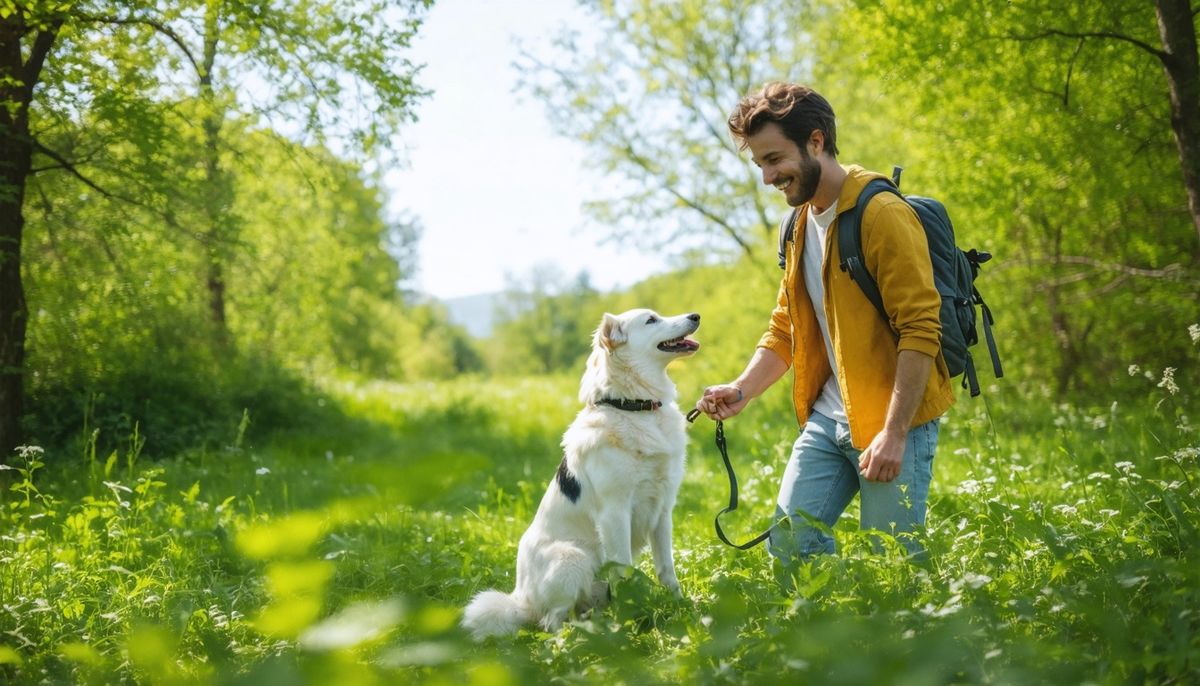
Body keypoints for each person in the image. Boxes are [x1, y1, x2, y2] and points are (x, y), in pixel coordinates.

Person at [694, 82, 955, 563]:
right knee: (791, 550)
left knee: (891, 565)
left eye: (775, 160)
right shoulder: (796, 226)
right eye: (760, 165)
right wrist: (743, 389)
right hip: (826, 421)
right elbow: (786, 327)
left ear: (816, 141)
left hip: (892, 421)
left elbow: (921, 330)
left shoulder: (881, 215)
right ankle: (823, 640)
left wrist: (894, 433)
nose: (768, 177)